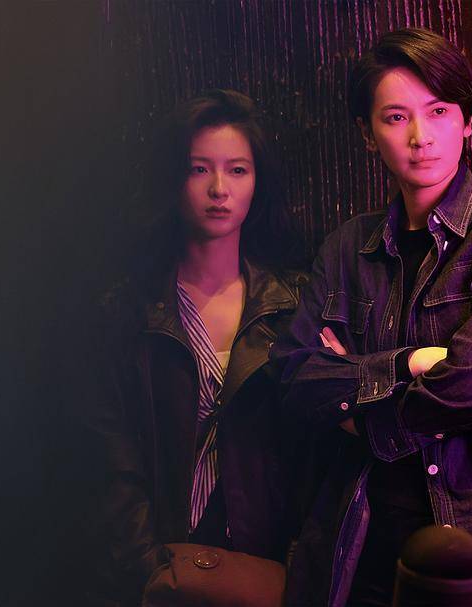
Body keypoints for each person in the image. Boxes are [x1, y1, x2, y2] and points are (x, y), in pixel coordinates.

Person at [272, 28, 472, 607]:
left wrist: (359, 416)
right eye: (395, 117)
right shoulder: (346, 247)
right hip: (356, 551)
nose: (420, 136)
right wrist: (410, 362)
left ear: (468, 122)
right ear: (367, 134)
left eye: (438, 112)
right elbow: (293, 378)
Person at [83, 89, 308, 606]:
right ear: (173, 179)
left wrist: (295, 571)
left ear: (258, 182)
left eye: (237, 170)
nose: (219, 189)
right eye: (198, 169)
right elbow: (107, 458)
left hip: (263, 568)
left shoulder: (292, 307)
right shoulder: (127, 311)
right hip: (155, 568)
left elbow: (310, 458)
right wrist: (149, 570)